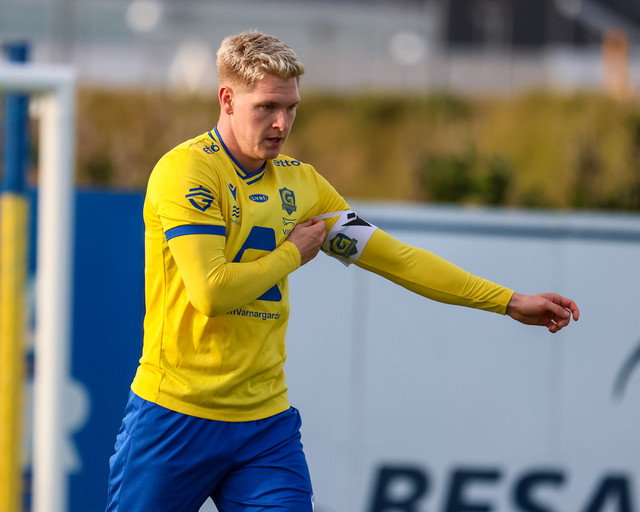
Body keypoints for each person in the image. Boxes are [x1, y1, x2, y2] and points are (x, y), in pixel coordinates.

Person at [105, 30, 580, 512]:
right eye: (266, 107)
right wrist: (293, 254)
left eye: (291, 108)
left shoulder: (302, 184)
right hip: (176, 415)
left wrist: (508, 301)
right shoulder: (187, 171)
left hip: (263, 426)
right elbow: (211, 293)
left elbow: (399, 259)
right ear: (227, 99)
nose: (281, 123)